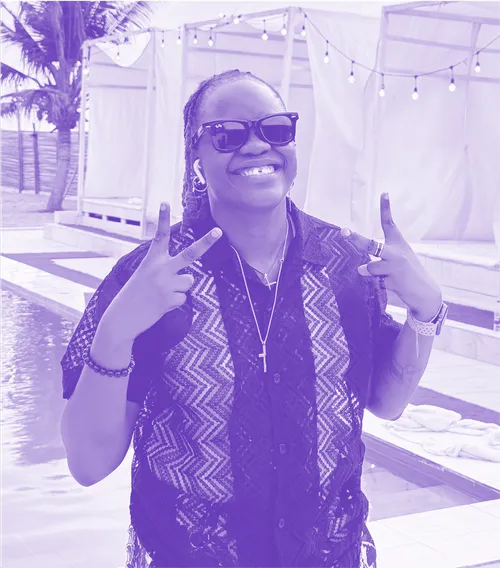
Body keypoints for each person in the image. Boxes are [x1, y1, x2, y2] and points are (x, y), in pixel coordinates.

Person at [60, 69, 447, 568]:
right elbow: (88, 464)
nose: (257, 145)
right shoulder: (151, 279)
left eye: (275, 129)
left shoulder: (345, 266)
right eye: (228, 134)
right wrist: (115, 333)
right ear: (196, 157)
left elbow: (386, 402)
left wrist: (425, 312)